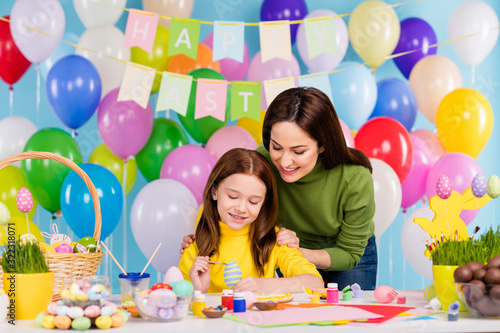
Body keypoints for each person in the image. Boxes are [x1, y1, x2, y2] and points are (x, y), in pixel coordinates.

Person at [182, 87, 377, 290]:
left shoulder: (354, 178)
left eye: (298, 151)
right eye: (276, 147)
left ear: (322, 145)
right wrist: (208, 234)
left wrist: (289, 250)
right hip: (288, 250)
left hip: (344, 252)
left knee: (348, 316)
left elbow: (350, 253)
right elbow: (229, 196)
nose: (284, 161)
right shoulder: (261, 163)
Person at [178, 148, 324, 293]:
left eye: (253, 202)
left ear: (263, 203)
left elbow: (315, 283)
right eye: (233, 197)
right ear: (214, 191)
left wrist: (266, 286)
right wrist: (199, 292)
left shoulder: (274, 240)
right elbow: (177, 305)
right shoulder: (193, 249)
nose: (241, 208)